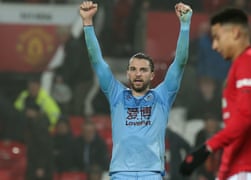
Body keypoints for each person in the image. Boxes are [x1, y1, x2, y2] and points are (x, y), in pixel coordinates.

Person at [79, 1, 192, 179]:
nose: (138, 74)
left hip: (152, 174)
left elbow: (180, 63)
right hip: (121, 174)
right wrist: (87, 24)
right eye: (133, 69)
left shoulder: (162, 97)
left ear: (152, 75)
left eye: (143, 70)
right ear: (127, 73)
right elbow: (96, 61)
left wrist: (185, 26)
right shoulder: (117, 95)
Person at [180, 8, 251, 180]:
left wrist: (207, 148)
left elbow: (246, 117)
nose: (214, 46)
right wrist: (223, 172)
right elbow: (238, 127)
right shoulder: (243, 64)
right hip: (238, 167)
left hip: (248, 166)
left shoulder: (249, 62)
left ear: (235, 33)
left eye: (217, 38)